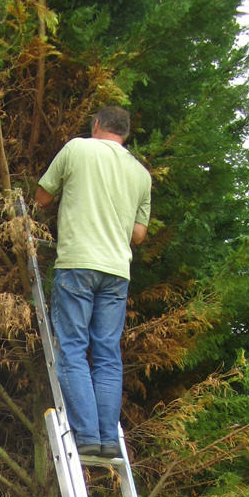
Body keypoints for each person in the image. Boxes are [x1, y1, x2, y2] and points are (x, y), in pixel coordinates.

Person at [34, 104, 151, 460]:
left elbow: (41, 197)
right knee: (107, 354)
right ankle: (108, 439)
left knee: (71, 347)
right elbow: (139, 234)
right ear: (125, 134)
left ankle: (86, 434)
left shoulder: (77, 149)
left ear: (96, 125)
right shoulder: (141, 174)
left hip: (77, 263)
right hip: (117, 271)